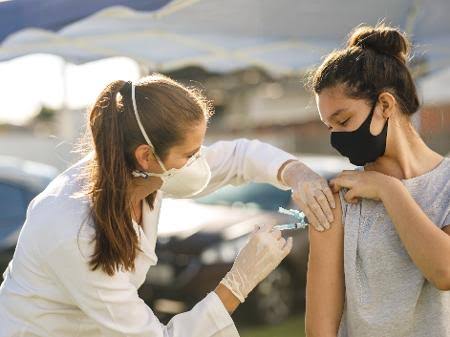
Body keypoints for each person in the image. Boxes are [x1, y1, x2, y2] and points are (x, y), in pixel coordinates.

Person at [0, 74, 334, 336]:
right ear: (146, 156)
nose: (200, 161)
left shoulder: (134, 172)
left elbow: (238, 156)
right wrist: (239, 281)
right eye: (191, 154)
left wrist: (297, 173)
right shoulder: (73, 229)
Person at [304, 23, 450, 337]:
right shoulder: (339, 199)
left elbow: (445, 270)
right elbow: (320, 330)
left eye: (343, 120)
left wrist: (388, 189)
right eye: (329, 126)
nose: (336, 138)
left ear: (385, 105)